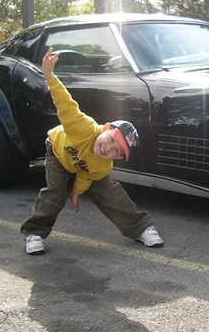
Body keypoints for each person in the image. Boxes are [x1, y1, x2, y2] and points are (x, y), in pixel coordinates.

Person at [20, 46, 163, 255]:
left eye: (117, 152)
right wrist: (49, 75)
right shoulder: (82, 127)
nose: (109, 150)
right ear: (105, 128)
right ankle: (34, 232)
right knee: (56, 192)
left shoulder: (102, 165)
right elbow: (66, 103)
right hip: (59, 154)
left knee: (111, 192)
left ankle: (141, 228)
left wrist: (77, 193)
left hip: (82, 163)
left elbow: (86, 175)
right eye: (112, 140)